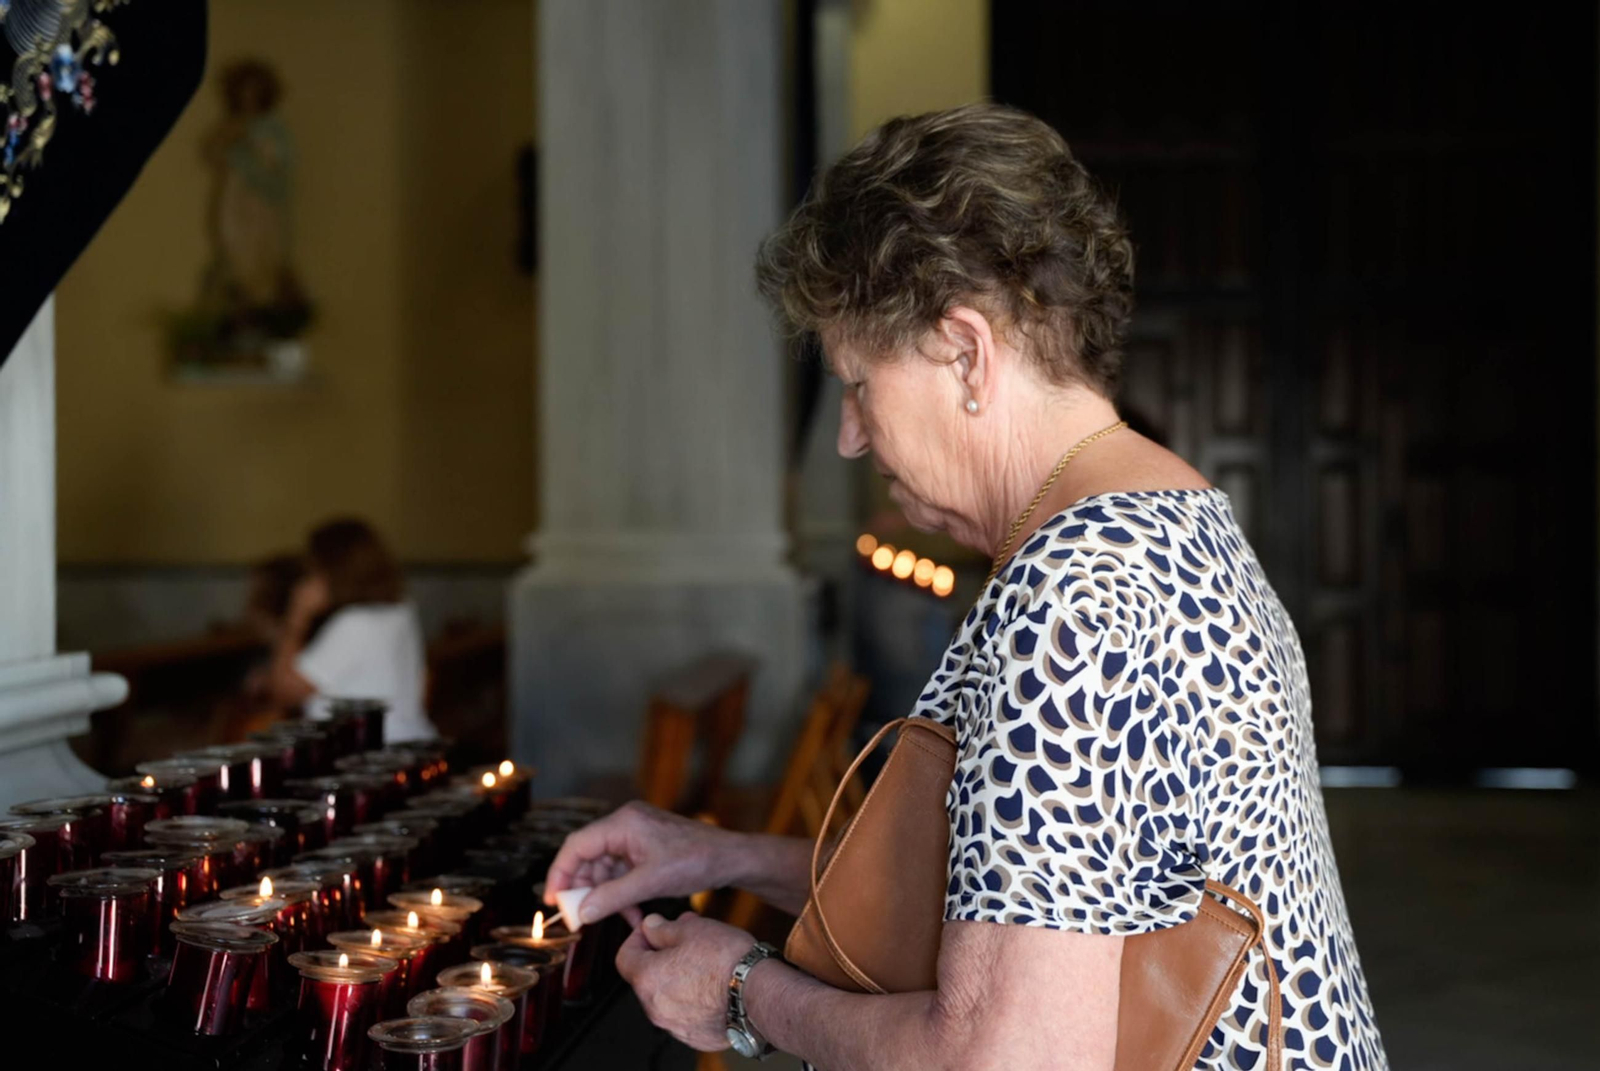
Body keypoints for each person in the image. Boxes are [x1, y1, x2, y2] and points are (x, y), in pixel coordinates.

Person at [543, 104, 1387, 1070]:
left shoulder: (1071, 599)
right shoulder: (1171, 510)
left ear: (966, 352)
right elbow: (1035, 905)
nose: (851, 436)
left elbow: (1006, 1058)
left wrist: (743, 990)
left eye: (860, 384)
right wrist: (719, 855)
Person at [264, 517, 437, 743]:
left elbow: (284, 691)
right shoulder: (400, 610)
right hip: (408, 743)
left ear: (331, 571)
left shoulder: (355, 624)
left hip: (370, 755)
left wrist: (297, 616)